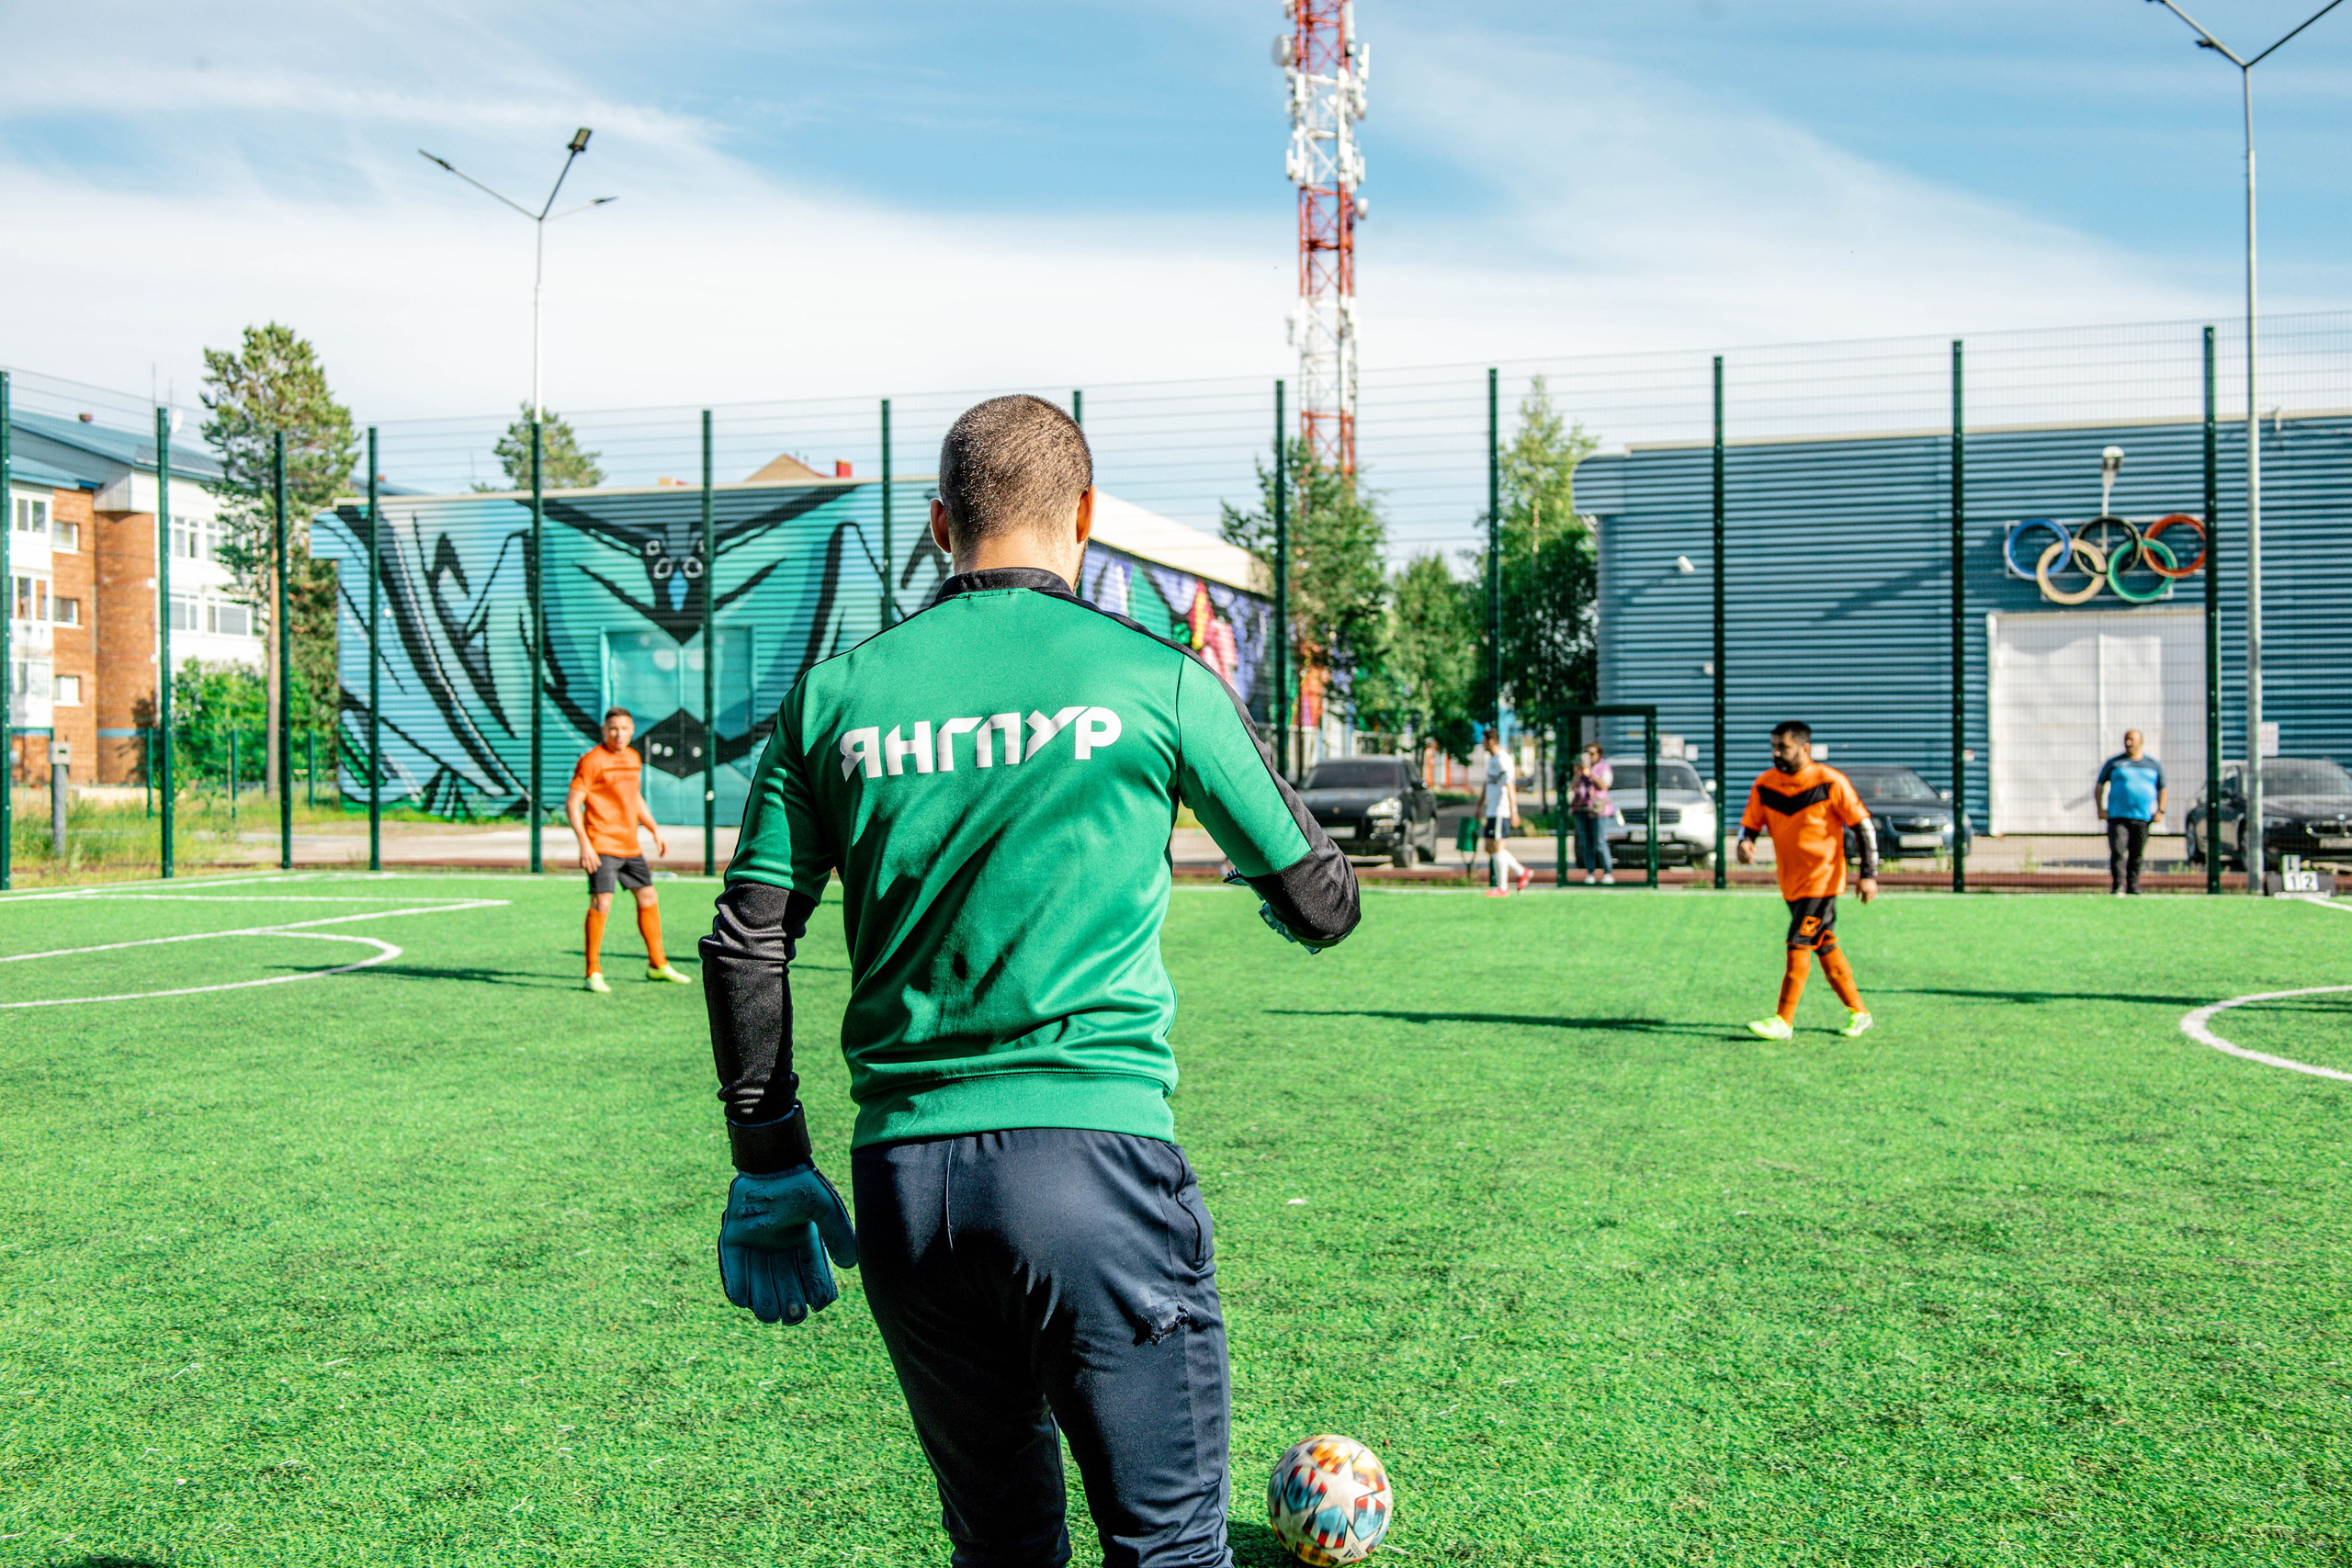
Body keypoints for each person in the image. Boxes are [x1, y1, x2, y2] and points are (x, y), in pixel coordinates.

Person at [698, 394, 1360, 1568]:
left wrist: (766, 1162)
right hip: (1092, 1170)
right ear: (1087, 518)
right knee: (1163, 1550)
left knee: (1001, 1549)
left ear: (940, 526)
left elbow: (749, 941)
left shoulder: (836, 694)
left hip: (904, 1190)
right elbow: (1321, 904)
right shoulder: (1154, 678)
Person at [1735, 720, 1876, 1042]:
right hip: (1792, 882)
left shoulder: (1830, 781)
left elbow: (1863, 827)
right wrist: (1745, 842)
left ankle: (1783, 1020)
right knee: (1823, 943)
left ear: (1805, 749)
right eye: (1773, 746)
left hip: (1823, 880)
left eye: (1782, 747)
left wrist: (1868, 875)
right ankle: (1859, 1012)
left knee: (1797, 942)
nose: (1776, 753)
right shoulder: (1765, 784)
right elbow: (1750, 824)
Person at [566, 706, 693, 993]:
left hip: (629, 845)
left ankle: (657, 964)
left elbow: (633, 797)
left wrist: (653, 828)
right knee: (602, 903)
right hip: (601, 845)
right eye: (613, 728)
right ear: (604, 730)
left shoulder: (634, 758)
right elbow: (573, 804)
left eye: (624, 728)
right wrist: (584, 844)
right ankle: (592, 972)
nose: (619, 734)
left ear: (632, 730)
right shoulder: (591, 761)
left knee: (648, 895)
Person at [2095, 728, 2166, 897]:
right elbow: (2099, 786)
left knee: (2136, 853)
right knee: (2118, 850)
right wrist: (2100, 808)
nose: (2128, 743)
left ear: (2141, 742)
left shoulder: (2153, 764)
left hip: (2142, 817)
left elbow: (2163, 788)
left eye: (2132, 740)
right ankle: (2118, 886)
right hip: (2117, 816)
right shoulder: (2114, 763)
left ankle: (2133, 886)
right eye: (2126, 739)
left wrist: (2160, 810)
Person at [1480, 728, 1532, 896]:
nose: (1481, 744)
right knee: (1490, 847)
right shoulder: (1493, 760)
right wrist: (1479, 805)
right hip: (1492, 810)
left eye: (1483, 741)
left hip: (1500, 810)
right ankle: (1521, 871)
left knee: (1496, 846)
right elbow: (1487, 784)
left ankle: (1503, 887)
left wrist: (1513, 811)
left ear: (1491, 741)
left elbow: (1510, 785)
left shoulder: (1503, 759)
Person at [1568, 740, 1616, 886]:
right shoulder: (1580, 769)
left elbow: (1603, 786)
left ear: (1599, 755)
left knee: (1599, 842)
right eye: (1587, 753)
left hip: (1598, 810)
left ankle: (1608, 872)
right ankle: (1590, 872)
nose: (1589, 756)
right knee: (1585, 843)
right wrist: (1579, 774)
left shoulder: (1604, 768)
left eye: (1592, 753)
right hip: (1582, 809)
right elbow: (1573, 786)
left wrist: (1591, 774)